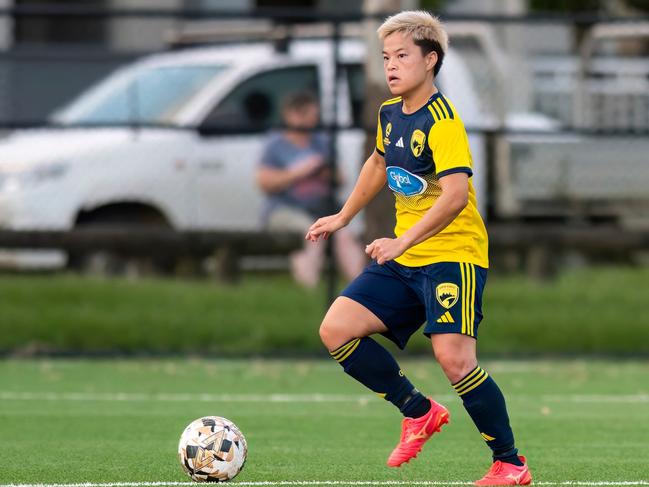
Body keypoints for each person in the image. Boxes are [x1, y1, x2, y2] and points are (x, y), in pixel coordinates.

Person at [306, 11, 532, 486]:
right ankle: (418, 410)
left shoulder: (443, 121)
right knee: (336, 329)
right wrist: (344, 216)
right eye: (385, 56)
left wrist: (402, 239)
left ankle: (510, 463)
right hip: (404, 257)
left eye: (402, 56)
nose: (391, 65)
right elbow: (378, 161)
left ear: (430, 60)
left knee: (454, 360)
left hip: (454, 255)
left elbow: (453, 197)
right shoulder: (390, 113)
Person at [256, 92, 365, 288]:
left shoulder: (320, 141)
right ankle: (309, 290)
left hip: (323, 207)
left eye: (314, 116)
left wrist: (322, 171)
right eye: (306, 115)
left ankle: (359, 289)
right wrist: (297, 172)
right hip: (286, 208)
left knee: (344, 236)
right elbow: (264, 183)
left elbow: (341, 178)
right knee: (313, 233)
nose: (312, 120)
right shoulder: (275, 144)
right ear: (291, 115)